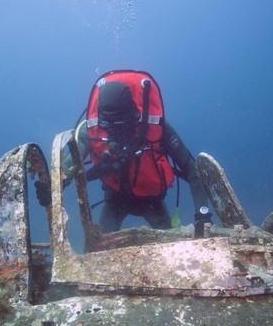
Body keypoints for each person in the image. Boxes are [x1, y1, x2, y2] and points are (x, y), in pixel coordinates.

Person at [63, 70, 212, 237]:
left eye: (121, 123)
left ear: (134, 113)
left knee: (171, 245)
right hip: (115, 200)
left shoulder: (158, 128)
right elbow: (66, 169)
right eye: (109, 125)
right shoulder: (90, 131)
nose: (116, 130)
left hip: (152, 202)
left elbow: (192, 169)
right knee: (96, 248)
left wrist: (202, 214)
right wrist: (52, 187)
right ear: (101, 116)